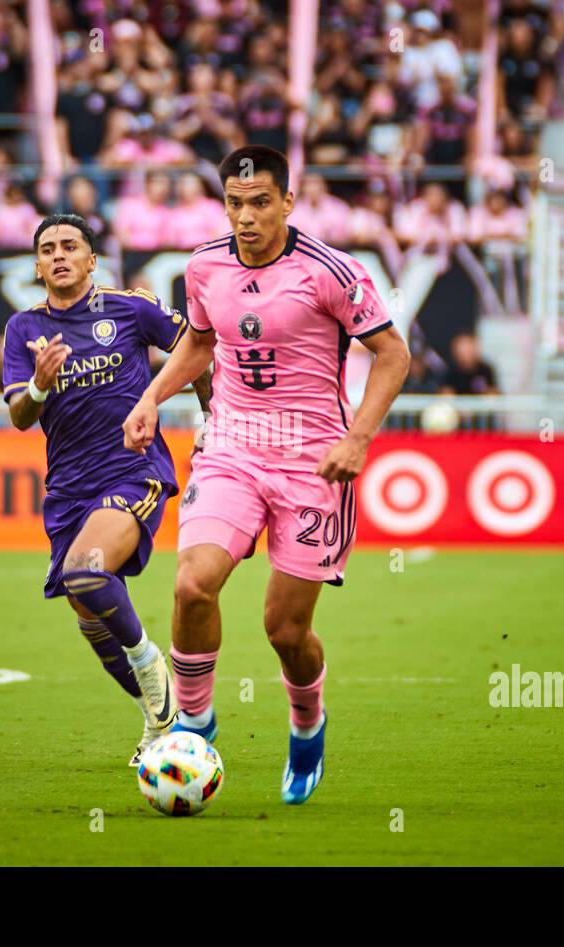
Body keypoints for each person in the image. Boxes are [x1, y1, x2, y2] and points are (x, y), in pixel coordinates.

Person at [122, 145, 411, 805]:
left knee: (284, 631)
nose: (246, 217)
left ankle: (307, 723)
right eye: (234, 203)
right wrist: (151, 397)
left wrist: (358, 440)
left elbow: (393, 356)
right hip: (231, 446)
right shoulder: (203, 267)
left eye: (259, 203)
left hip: (315, 463)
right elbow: (199, 343)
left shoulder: (332, 271)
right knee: (193, 585)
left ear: (287, 200)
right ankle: (193, 723)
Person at [2, 214, 212, 767]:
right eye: (47, 249)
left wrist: (214, 416)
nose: (59, 256)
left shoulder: (129, 307)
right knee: (85, 604)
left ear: (92, 260)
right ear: (37, 265)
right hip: (67, 490)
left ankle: (152, 667)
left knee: (87, 571)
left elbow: (199, 347)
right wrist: (39, 385)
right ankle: (156, 715)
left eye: (70, 246)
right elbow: (21, 417)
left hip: (131, 472)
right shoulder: (23, 328)